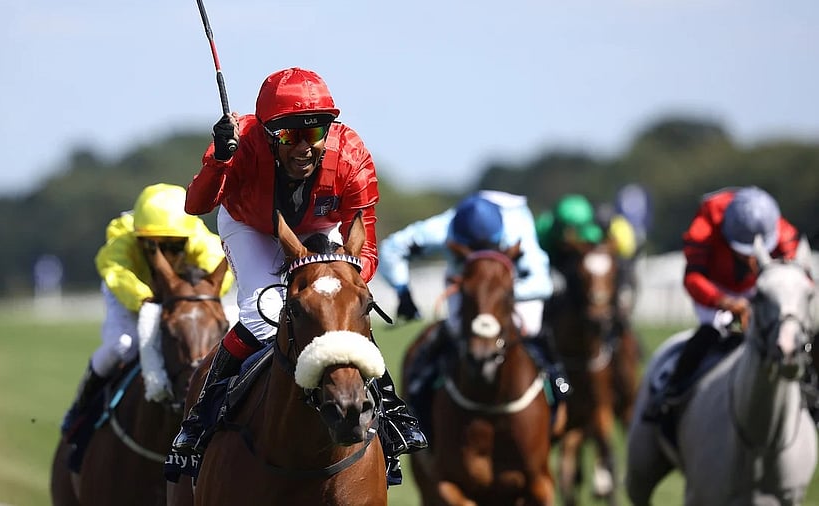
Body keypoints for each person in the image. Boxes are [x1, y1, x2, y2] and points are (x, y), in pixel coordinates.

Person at [171, 67, 427, 484]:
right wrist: (220, 160)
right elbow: (196, 205)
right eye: (290, 135)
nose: (305, 147)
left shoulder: (351, 156)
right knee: (263, 314)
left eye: (316, 131)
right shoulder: (239, 143)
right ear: (270, 134)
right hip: (250, 225)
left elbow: (368, 243)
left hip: (315, 227)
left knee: (340, 311)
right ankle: (199, 420)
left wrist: (345, 286)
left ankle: (391, 412)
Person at [376, 190, 569, 431]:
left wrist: (493, 296)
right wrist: (403, 291)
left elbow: (542, 283)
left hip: (510, 286)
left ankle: (556, 381)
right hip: (465, 282)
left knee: (531, 326)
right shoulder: (443, 228)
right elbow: (392, 248)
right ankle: (415, 400)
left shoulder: (517, 227)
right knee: (454, 328)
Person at [60, 183, 234, 438]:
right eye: (154, 247)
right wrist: (144, 299)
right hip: (131, 294)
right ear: (139, 238)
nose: (165, 255)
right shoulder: (122, 241)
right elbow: (117, 274)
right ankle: (80, 409)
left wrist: (188, 297)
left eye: (174, 246)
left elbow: (219, 279)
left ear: (186, 238)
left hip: (178, 299)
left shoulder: (198, 239)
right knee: (123, 344)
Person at [642, 186, 801, 421]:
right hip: (717, 288)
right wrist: (724, 301)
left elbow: (796, 278)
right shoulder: (705, 225)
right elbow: (692, 278)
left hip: (762, 287)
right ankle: (670, 394)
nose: (750, 258)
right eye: (742, 251)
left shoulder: (781, 231)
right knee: (718, 332)